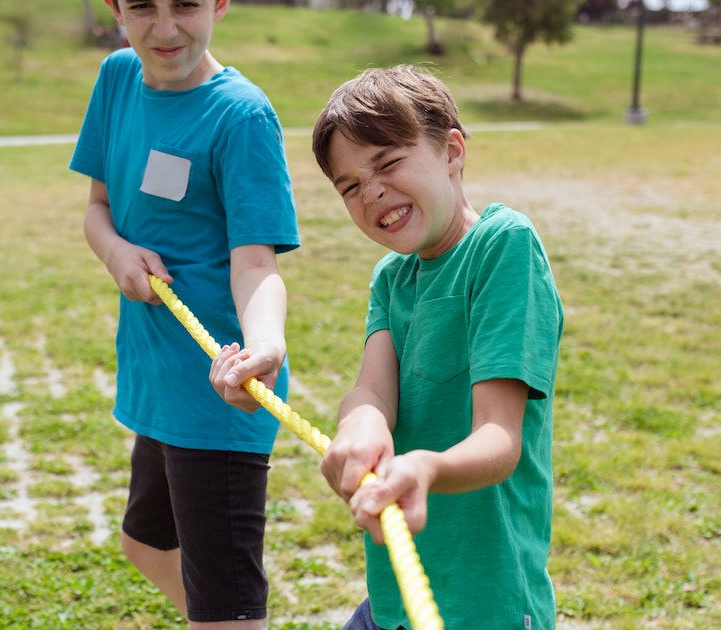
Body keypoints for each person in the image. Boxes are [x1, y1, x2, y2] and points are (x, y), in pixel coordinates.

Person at [68, 0, 300, 626]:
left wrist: (265, 348)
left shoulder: (241, 115)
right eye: (142, 6)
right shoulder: (118, 77)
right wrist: (116, 251)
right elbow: (98, 206)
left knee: (224, 606)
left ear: (220, 3)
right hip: (159, 383)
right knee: (145, 545)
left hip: (218, 395)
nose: (165, 28)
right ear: (115, 8)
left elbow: (257, 266)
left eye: (186, 6)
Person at [309, 65, 564, 629]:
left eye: (388, 162)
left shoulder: (503, 246)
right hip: (396, 590)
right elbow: (371, 389)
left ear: (452, 150)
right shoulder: (390, 278)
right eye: (349, 186)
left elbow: (499, 437)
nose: (371, 190)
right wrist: (361, 425)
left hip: (483, 602)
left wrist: (424, 468)